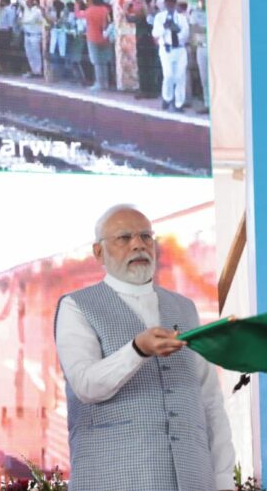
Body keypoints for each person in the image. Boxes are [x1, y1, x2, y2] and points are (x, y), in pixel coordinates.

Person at [54, 204, 235, 491]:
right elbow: (85, 385)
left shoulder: (184, 308)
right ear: (99, 252)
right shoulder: (76, 306)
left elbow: (210, 400)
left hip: (193, 479)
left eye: (146, 237)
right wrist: (137, 350)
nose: (138, 244)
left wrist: (223, 480)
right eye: (124, 238)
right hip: (114, 480)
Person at [152, 0, 190, 111]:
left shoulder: (181, 18)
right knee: (168, 75)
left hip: (179, 49)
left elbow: (185, 34)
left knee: (180, 76)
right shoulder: (159, 17)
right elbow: (155, 33)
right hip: (166, 49)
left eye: (172, 4)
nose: (170, 6)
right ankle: (167, 97)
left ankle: (179, 103)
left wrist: (175, 29)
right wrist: (164, 27)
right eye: (167, 4)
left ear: (174, 4)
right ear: (165, 4)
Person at [85, 0, 111, 91]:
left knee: (96, 62)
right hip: (105, 37)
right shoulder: (105, 10)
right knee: (104, 62)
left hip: (92, 37)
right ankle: (105, 82)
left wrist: (78, 4)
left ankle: (99, 83)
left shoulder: (89, 10)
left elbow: (79, 15)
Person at [189, 0, 209, 114]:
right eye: (201, 0)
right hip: (201, 47)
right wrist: (193, 49)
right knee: (204, 77)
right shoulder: (195, 13)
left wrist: (202, 29)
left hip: (215, 48)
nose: (203, 3)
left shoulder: (215, 11)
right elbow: (194, 30)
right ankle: (207, 104)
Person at [21, 0, 46, 77]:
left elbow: (43, 21)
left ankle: (38, 71)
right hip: (27, 34)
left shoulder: (37, 11)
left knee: (36, 54)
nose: (27, 2)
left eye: (29, 1)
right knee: (29, 54)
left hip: (35, 35)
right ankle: (33, 70)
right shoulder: (26, 10)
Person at [0, 0, 17, 73]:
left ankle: (7, 68)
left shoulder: (10, 10)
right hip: (0, 31)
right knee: (0, 50)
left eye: (1, 1)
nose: (0, 3)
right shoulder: (3, 9)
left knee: (6, 50)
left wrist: (10, 33)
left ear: (4, 2)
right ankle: (2, 67)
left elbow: (11, 22)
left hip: (6, 31)